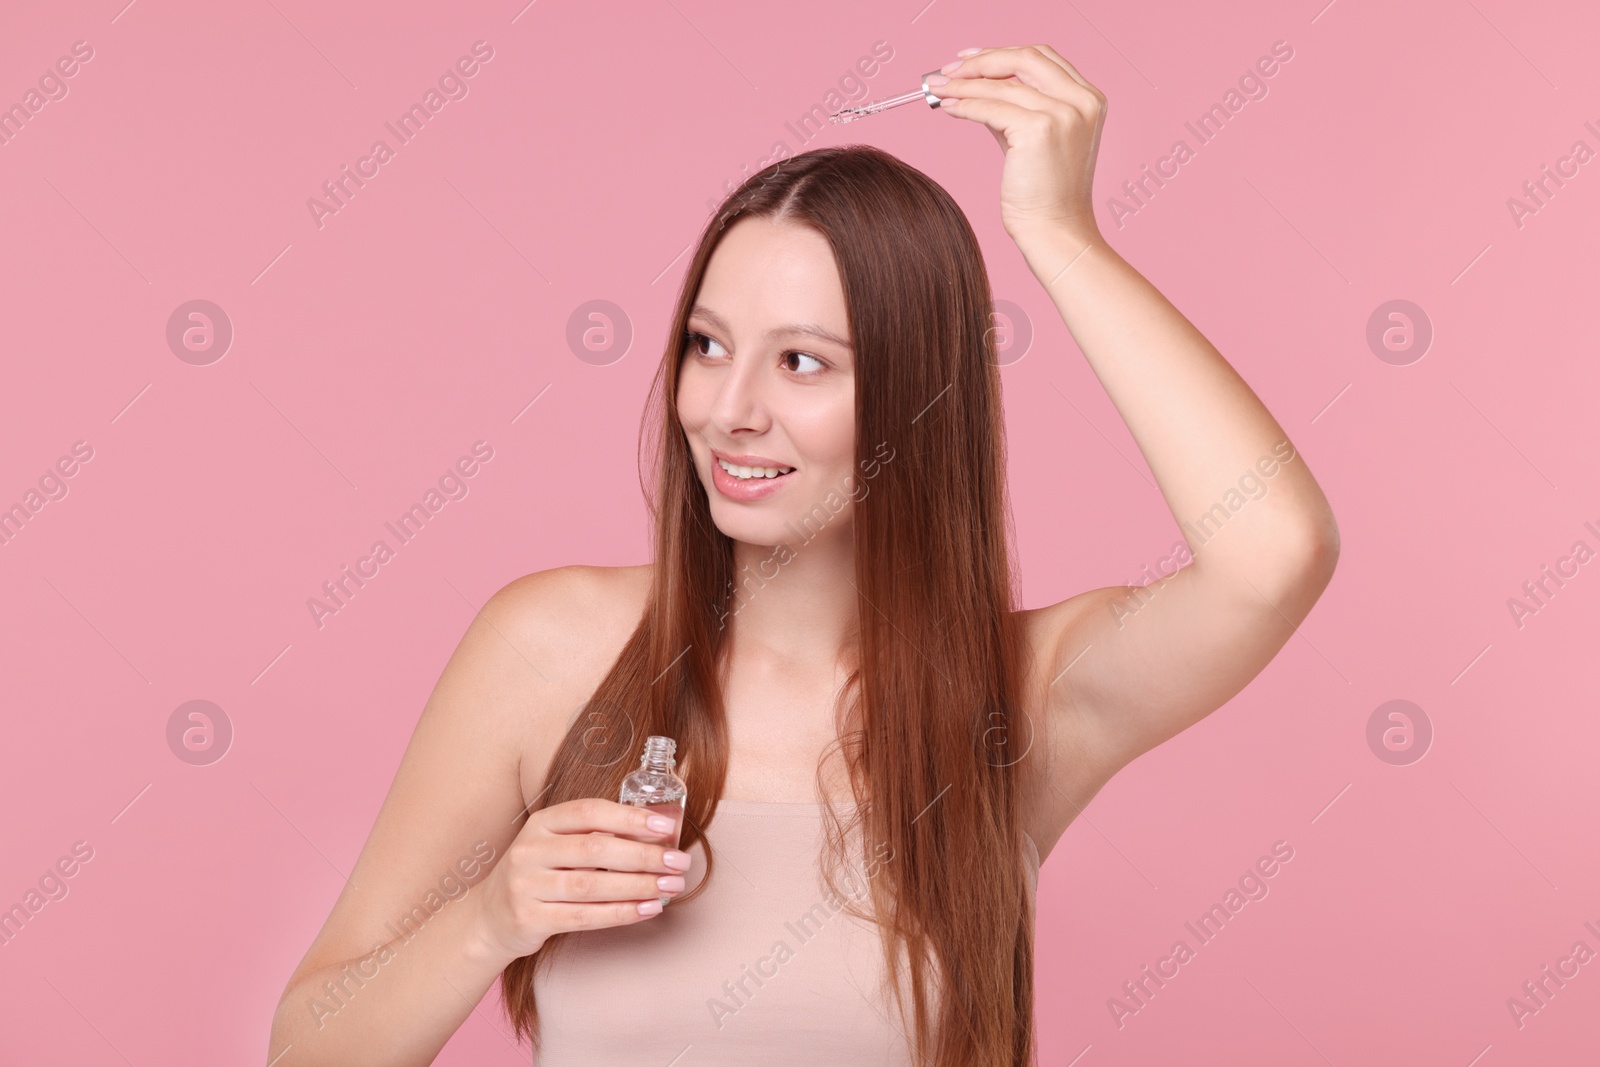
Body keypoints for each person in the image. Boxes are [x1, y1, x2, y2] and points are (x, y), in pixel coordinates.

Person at [268, 43, 1339, 1067]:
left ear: (917, 396)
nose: (729, 410)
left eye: (801, 362)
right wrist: (487, 915)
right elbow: (308, 1047)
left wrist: (1058, 233)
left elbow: (1273, 552)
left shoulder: (1020, 696)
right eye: (706, 343)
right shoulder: (551, 648)